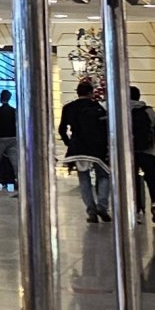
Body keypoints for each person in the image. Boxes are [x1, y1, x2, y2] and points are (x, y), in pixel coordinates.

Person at [59, 79, 114, 222]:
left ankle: (91, 211)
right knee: (103, 175)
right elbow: (106, 127)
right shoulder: (97, 107)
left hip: (78, 147)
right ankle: (102, 206)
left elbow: (62, 129)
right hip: (98, 148)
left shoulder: (69, 107)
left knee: (84, 179)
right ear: (91, 93)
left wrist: (69, 143)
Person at [127, 85, 155, 224]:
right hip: (148, 151)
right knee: (152, 179)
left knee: (133, 181)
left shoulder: (123, 111)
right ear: (139, 96)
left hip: (130, 153)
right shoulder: (148, 110)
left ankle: (137, 210)